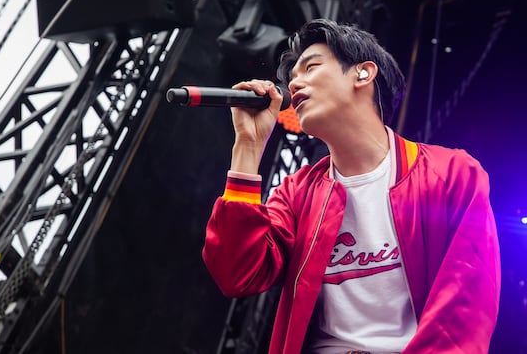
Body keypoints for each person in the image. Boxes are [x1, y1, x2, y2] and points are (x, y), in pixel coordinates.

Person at [202, 18, 500, 354]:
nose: (294, 85)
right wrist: (248, 146)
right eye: (291, 78)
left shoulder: (452, 173)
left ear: (363, 73)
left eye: (310, 67)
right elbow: (237, 273)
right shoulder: (298, 193)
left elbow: (462, 310)